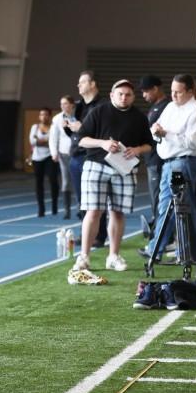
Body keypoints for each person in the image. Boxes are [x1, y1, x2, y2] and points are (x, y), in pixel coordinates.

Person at [72, 79, 153, 273]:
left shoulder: (139, 117)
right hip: (96, 165)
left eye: (128, 95)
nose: (124, 97)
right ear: (112, 95)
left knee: (118, 212)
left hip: (124, 168)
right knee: (93, 211)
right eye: (120, 94)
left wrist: (137, 150)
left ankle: (114, 256)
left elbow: (149, 144)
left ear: (133, 97)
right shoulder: (99, 112)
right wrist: (102, 144)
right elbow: (81, 140)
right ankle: (84, 256)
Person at [140, 74, 196, 264]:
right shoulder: (171, 107)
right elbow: (159, 129)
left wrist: (166, 133)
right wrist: (156, 131)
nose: (173, 95)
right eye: (172, 91)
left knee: (182, 209)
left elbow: (193, 142)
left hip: (184, 162)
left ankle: (184, 253)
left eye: (178, 92)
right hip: (169, 162)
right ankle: (160, 249)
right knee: (167, 206)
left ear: (189, 91)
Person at [70, 70, 109, 246]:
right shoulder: (78, 106)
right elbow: (74, 133)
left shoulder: (101, 106)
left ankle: (99, 236)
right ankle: (87, 234)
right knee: (82, 200)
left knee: (96, 200)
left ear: (92, 84)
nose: (79, 85)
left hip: (92, 157)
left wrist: (81, 127)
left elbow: (101, 132)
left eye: (82, 82)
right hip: (76, 156)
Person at [139, 75, 170, 237]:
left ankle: (162, 235)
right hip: (152, 159)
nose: (143, 96)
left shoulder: (165, 107)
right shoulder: (155, 107)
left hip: (158, 160)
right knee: (156, 199)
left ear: (155, 89)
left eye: (145, 91)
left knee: (159, 199)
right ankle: (160, 231)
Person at [48, 95, 78, 219]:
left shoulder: (79, 116)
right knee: (66, 182)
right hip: (63, 153)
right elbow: (53, 137)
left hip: (78, 153)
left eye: (65, 103)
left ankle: (80, 208)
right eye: (61, 104)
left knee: (79, 181)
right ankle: (67, 210)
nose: (63, 106)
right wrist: (54, 152)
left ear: (72, 104)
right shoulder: (57, 119)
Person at [29, 107, 59, 217]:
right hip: (37, 158)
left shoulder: (53, 128)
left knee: (53, 181)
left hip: (50, 157)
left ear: (49, 116)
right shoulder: (35, 127)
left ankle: (54, 207)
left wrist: (40, 140)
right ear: (39, 116)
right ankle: (41, 209)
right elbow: (32, 141)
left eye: (46, 114)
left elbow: (54, 141)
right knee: (38, 183)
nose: (43, 116)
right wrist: (47, 141)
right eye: (41, 114)